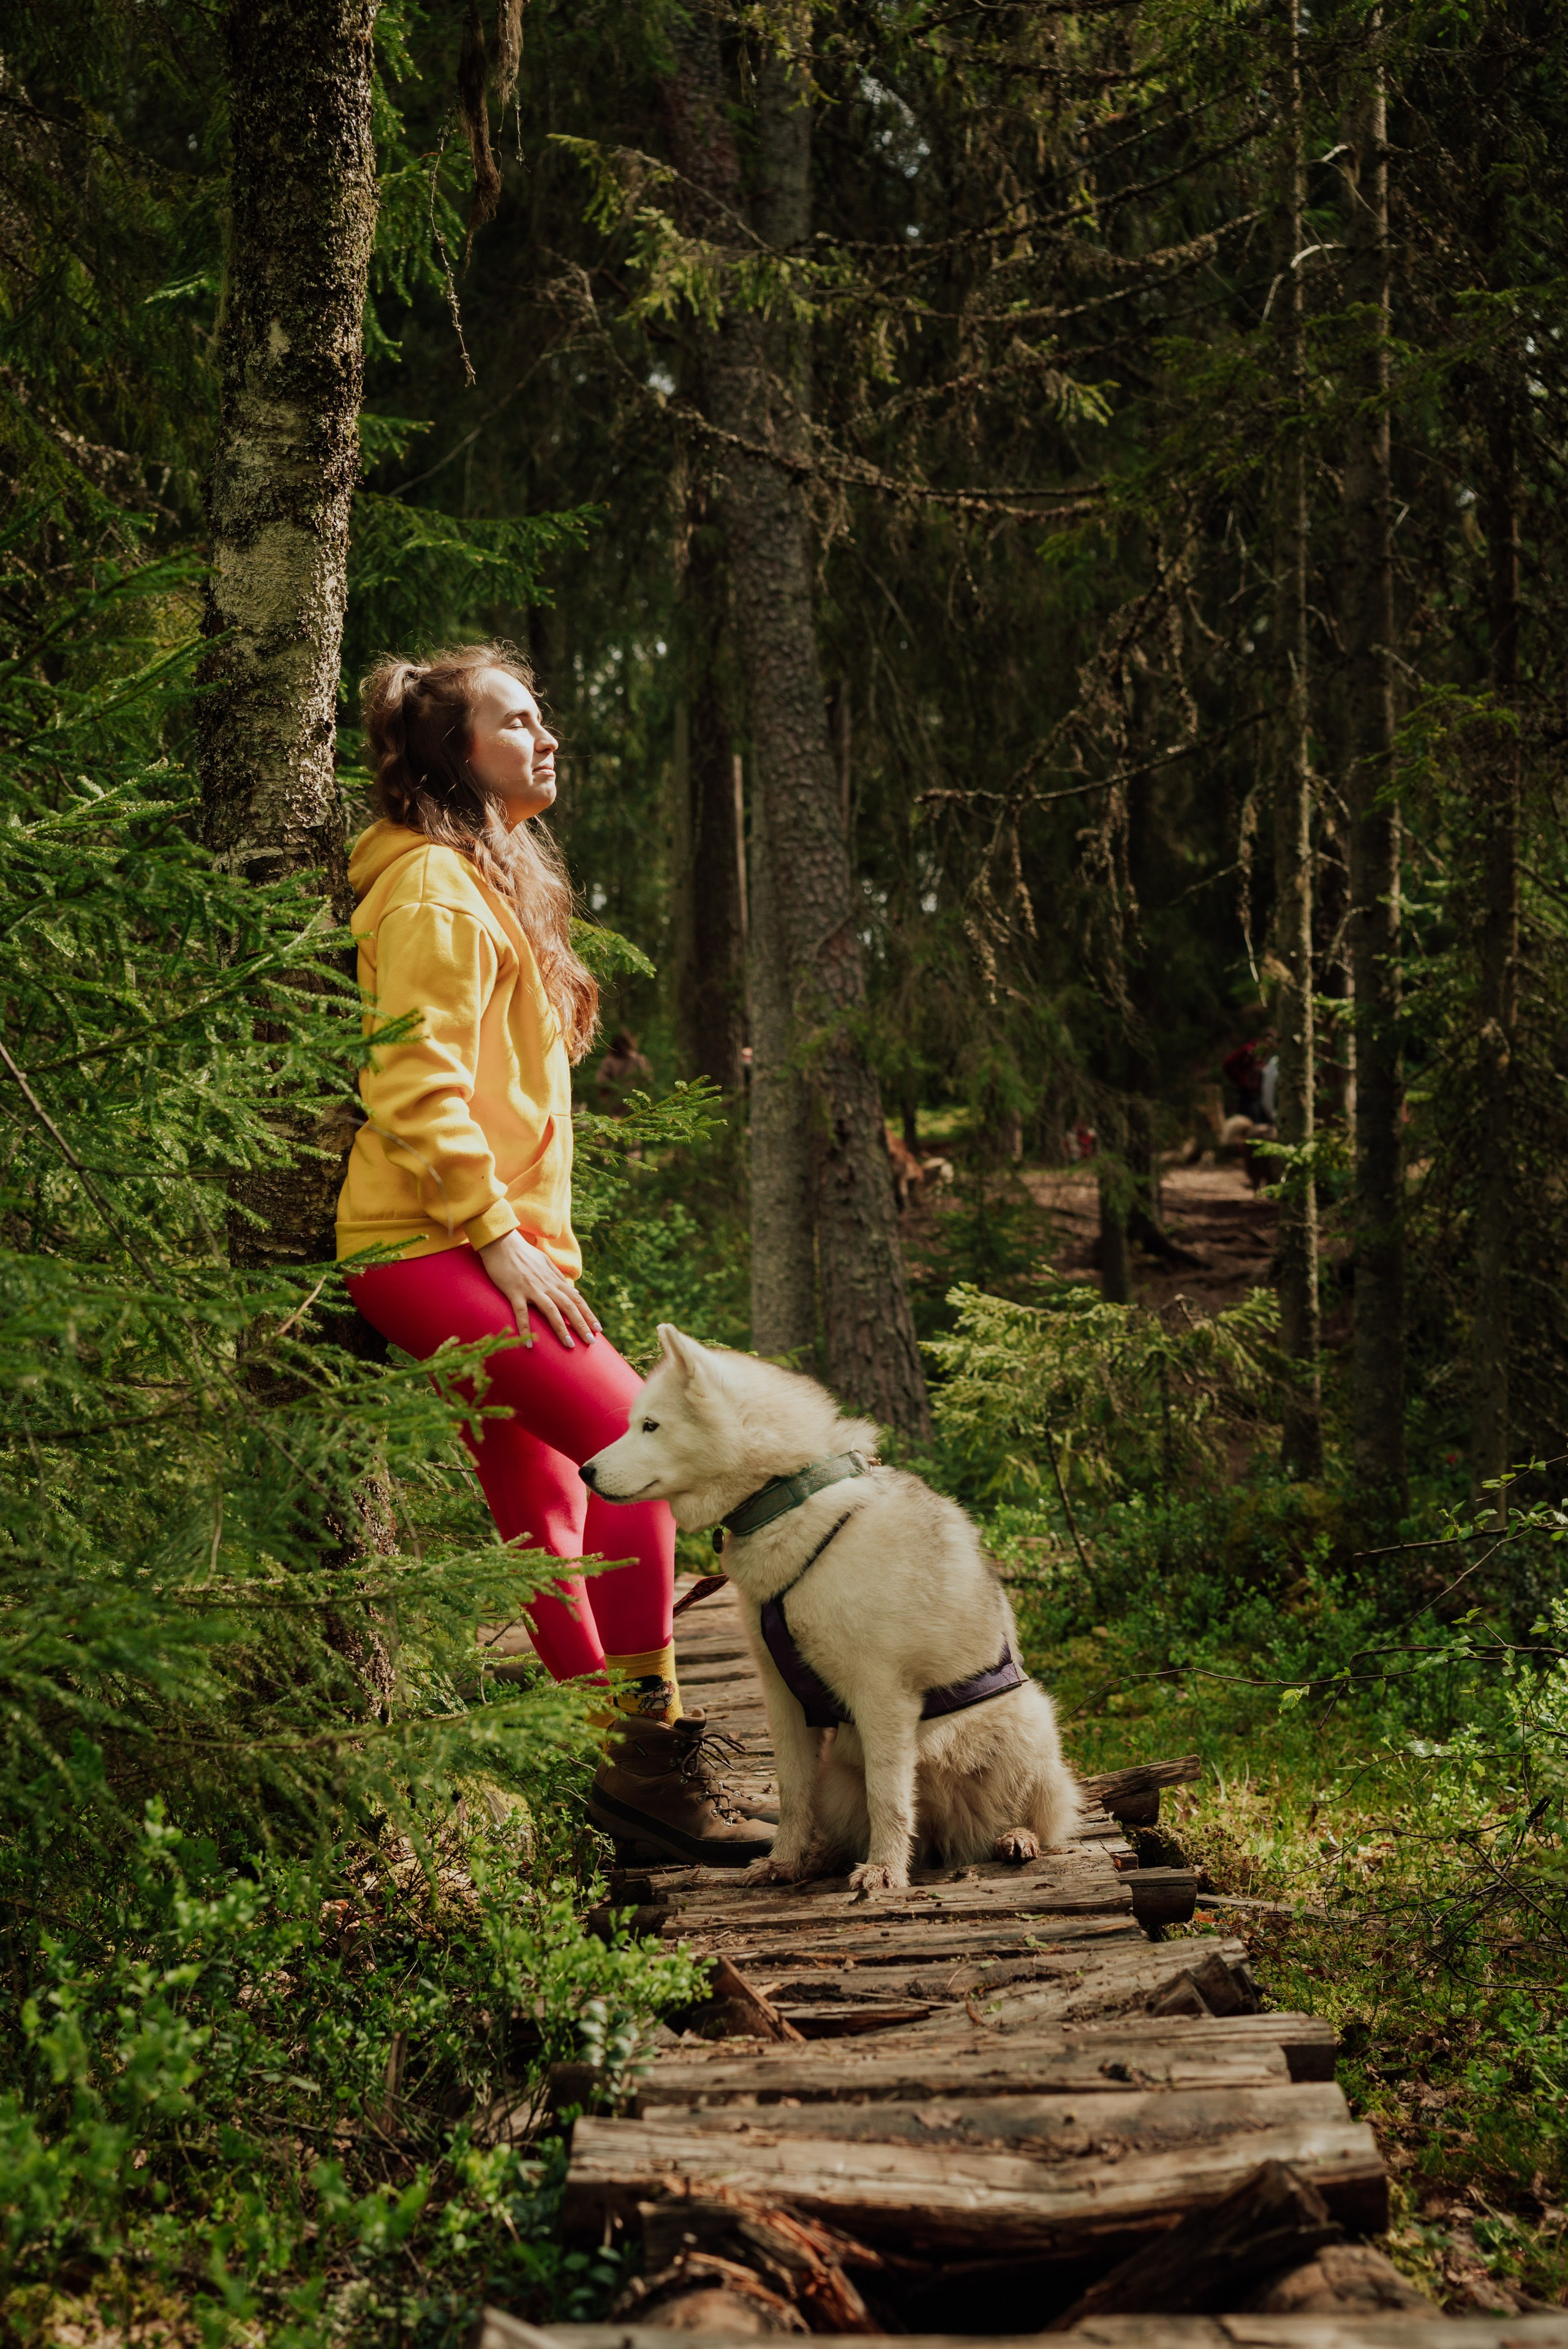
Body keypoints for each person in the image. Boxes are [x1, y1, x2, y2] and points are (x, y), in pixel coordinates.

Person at [336, 644, 768, 1864]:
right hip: (431, 1243)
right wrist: (490, 1234)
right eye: (516, 722)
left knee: (545, 1507)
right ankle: (650, 1746)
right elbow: (411, 1077)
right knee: (649, 1449)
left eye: (542, 719)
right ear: (452, 755)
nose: (546, 737)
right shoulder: (429, 884)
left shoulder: (486, 880)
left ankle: (611, 1785)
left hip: (478, 1242)